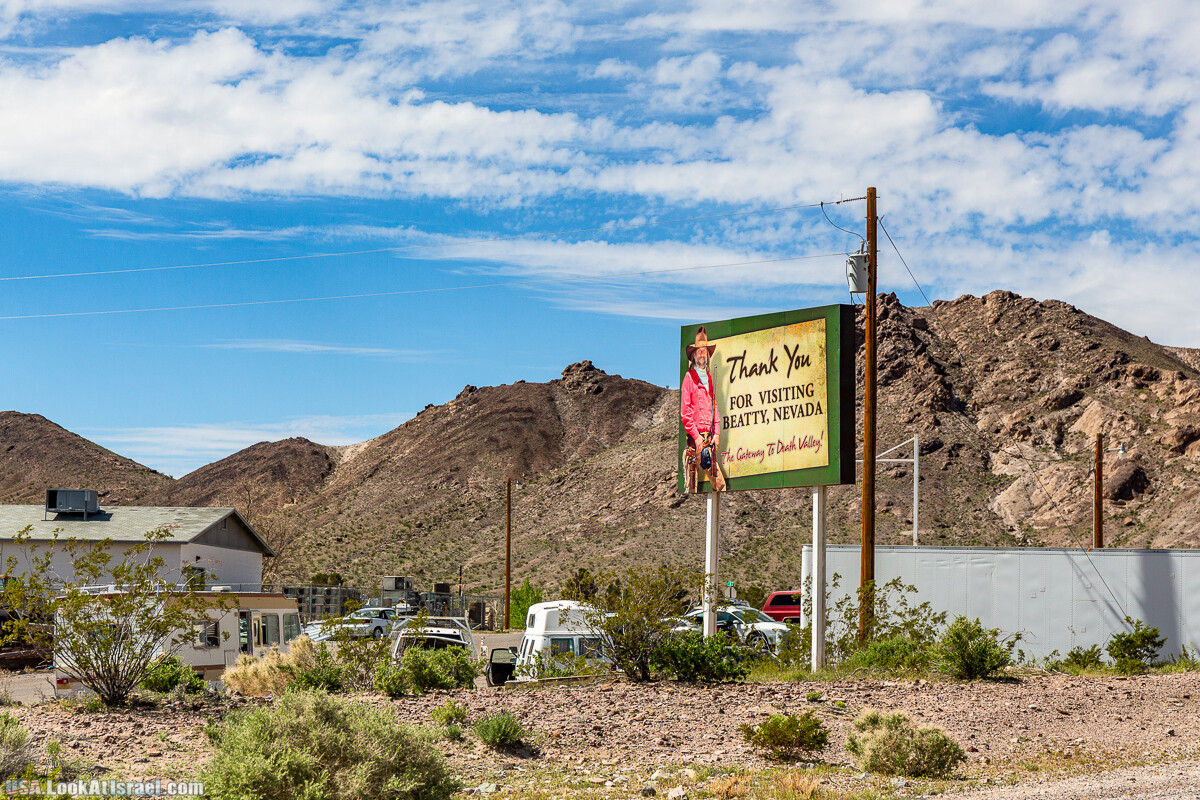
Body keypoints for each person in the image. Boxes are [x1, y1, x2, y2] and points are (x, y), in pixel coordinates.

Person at [681, 326, 725, 492]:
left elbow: (714, 407)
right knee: (691, 488)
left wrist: (717, 433)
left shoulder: (710, 379)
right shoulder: (689, 378)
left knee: (720, 485)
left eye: (704, 351)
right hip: (695, 443)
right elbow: (685, 413)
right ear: (693, 355)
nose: (701, 354)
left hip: (708, 443)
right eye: (698, 351)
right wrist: (696, 437)